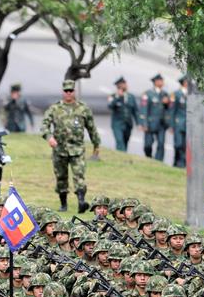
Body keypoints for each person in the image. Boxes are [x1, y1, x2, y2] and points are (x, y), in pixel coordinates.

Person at [41, 79, 100, 213]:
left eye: (71, 91)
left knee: (79, 176)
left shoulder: (83, 109)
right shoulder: (55, 108)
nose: (68, 93)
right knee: (61, 177)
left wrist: (96, 144)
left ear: (74, 91)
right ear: (63, 92)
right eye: (66, 91)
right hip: (59, 149)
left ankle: (81, 202)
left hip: (77, 149)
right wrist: (49, 137)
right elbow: (44, 125)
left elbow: (92, 128)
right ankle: (63, 204)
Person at [140, 74, 170, 161]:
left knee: (161, 144)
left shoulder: (165, 94)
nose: (162, 82)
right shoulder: (148, 94)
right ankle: (148, 157)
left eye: (162, 80)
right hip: (150, 123)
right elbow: (144, 109)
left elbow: (169, 109)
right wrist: (144, 123)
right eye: (160, 80)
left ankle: (158, 161)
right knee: (148, 145)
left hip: (161, 123)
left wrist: (167, 103)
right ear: (155, 82)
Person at [107, 77, 138, 152]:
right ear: (119, 86)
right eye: (123, 84)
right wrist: (118, 97)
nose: (125, 85)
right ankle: (121, 157)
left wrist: (139, 123)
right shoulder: (113, 96)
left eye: (125, 83)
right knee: (120, 141)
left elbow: (135, 111)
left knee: (125, 142)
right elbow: (110, 106)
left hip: (128, 124)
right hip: (117, 124)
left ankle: (123, 157)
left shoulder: (131, 96)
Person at [170, 76, 188, 168]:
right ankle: (177, 161)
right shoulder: (176, 94)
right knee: (178, 144)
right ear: (183, 82)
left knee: (185, 145)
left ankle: (182, 163)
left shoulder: (192, 94)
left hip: (188, 125)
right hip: (178, 123)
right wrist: (171, 125)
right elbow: (172, 111)